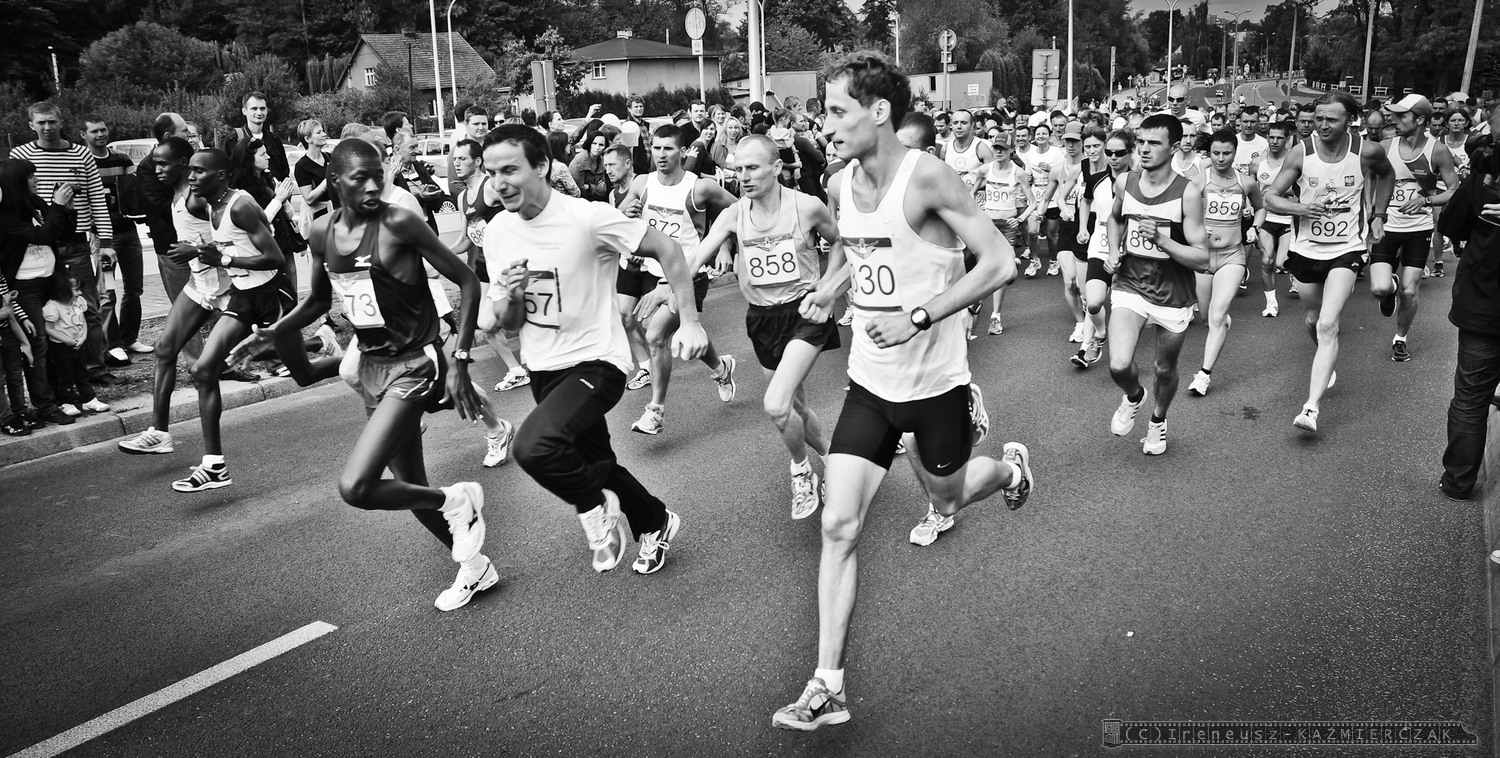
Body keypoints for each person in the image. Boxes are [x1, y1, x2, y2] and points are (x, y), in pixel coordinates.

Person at [772, 51, 1034, 731]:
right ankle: (827, 686)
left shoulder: (929, 178)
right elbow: (862, 256)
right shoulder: (839, 183)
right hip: (870, 383)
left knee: (946, 497)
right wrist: (832, 288)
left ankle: (1009, 469)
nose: (825, 125)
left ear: (879, 111)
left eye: (837, 111)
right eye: (824, 112)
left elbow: (1000, 261)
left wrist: (918, 315)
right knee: (838, 525)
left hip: (936, 384)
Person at [229, 138, 492, 611]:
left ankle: (458, 500)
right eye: (360, 179)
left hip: (416, 363)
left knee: (357, 487)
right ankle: (476, 568)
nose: (373, 187)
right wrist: (271, 333)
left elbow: (468, 282)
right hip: (372, 366)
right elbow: (317, 301)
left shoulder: (399, 222)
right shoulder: (322, 232)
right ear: (335, 182)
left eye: (378, 177)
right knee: (409, 485)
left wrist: (461, 358)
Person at [480, 125, 708, 575]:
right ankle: (655, 520)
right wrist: (511, 293)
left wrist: (690, 319)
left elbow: (668, 249)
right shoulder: (499, 231)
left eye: (509, 170)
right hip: (543, 364)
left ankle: (594, 507)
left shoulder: (587, 217)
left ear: (542, 166)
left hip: (598, 361)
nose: (498, 183)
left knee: (534, 447)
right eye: (491, 173)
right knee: (595, 462)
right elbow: (509, 321)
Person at [683, 135, 842, 519]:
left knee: (777, 402)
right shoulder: (734, 214)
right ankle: (832, 456)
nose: (744, 176)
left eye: (752, 168)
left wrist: (827, 286)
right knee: (795, 406)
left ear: (776, 167)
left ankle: (801, 471)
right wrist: (666, 287)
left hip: (805, 313)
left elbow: (842, 243)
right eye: (738, 169)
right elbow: (694, 259)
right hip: (762, 319)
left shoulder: (807, 206)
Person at [117, 148, 286, 493]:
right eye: (154, 163)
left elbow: (244, 237)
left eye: (164, 163)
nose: (157, 169)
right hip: (201, 285)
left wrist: (207, 253)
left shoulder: (202, 199)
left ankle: (316, 343)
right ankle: (162, 434)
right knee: (168, 350)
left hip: (231, 288)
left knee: (274, 356)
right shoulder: (190, 194)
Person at [1264, 91, 1395, 433]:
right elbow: (1270, 197)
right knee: (1312, 320)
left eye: (1331, 119)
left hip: (1347, 249)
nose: (1322, 125)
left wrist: (1379, 214)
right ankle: (1327, 359)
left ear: (1349, 120)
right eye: (1318, 118)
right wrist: (1301, 208)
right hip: (1307, 250)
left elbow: (1387, 175)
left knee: (1327, 323)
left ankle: (1310, 409)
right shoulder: (1301, 152)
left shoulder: (1367, 151)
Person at [618, 124, 739, 436]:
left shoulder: (699, 188)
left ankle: (655, 411)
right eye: (656, 148)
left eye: (668, 148)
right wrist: (625, 212)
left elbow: (738, 210)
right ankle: (720, 366)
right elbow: (618, 219)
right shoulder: (642, 183)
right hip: (650, 273)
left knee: (656, 335)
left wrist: (726, 245)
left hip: (688, 275)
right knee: (679, 331)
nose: (661, 155)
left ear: (683, 152)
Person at [1104, 114, 1212, 455]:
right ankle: (1134, 396)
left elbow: (1202, 259)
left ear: (1174, 147)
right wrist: (1113, 250)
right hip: (1131, 284)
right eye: (1141, 142)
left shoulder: (1187, 193)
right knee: (1118, 364)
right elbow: (1114, 219)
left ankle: (1158, 420)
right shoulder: (1125, 182)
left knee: (1164, 369)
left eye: (1154, 143)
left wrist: (1162, 240)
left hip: (1173, 294)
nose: (1145, 149)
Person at [9, 102, 115, 385]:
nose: (47, 127)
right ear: (31, 125)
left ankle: (94, 368)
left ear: (61, 122)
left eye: (52, 121)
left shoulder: (80, 153)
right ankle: (60, 378)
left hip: (75, 243)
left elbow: (97, 199)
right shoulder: (20, 155)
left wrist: (106, 241)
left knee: (86, 307)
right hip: (38, 247)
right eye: (41, 122)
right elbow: (14, 199)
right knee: (47, 314)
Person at [1367, 95, 1461, 363]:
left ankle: (1400, 338)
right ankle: (1390, 289)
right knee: (1379, 288)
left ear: (1420, 120)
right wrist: (1372, 214)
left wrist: (1426, 200)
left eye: (1401, 116)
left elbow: (1454, 190)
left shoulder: (1437, 151)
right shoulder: (1384, 147)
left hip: (1418, 229)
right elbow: (1369, 179)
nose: (1394, 120)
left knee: (1410, 291)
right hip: (1387, 226)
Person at [1439, 104, 1500, 502]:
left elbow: (1451, 225)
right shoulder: (1482, 171)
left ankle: (1459, 481)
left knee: (1471, 398)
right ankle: (1459, 480)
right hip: (1484, 305)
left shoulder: (1483, 173)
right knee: (1471, 399)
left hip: (1484, 306)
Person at [1186, 128, 1264, 397]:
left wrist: (1254, 227)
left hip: (1232, 255)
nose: (1221, 158)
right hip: (1203, 257)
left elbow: (1261, 207)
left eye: (1226, 153)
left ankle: (1203, 375)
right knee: (1207, 318)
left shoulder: (1246, 183)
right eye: (1216, 153)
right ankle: (1218, 320)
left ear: (1235, 153)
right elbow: (1183, 214)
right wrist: (1196, 229)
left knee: (1217, 316)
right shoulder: (1198, 182)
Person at [449, 138, 530, 396]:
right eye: (454, 159)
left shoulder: (491, 187)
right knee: (485, 323)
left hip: (511, 263)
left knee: (532, 313)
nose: (456, 163)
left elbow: (523, 212)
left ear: (477, 161)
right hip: (486, 266)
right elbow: (465, 240)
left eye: (462, 158)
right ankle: (517, 370)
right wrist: (434, 253)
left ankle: (545, 360)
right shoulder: (463, 197)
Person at [0, 158, 77, 426]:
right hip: (23, 287)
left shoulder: (35, 203)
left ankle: (58, 395)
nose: (37, 180)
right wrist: (57, 206)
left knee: (55, 341)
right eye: (31, 176)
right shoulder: (5, 214)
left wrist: (67, 210)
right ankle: (44, 405)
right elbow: (41, 236)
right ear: (15, 182)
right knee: (38, 344)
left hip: (48, 281)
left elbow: (61, 235)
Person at [79, 118, 151, 362]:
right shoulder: (84, 162)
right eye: (94, 131)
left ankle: (130, 338)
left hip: (128, 232)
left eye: (103, 129)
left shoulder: (122, 158)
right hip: (102, 238)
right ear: (84, 135)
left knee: (134, 288)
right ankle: (113, 344)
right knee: (107, 291)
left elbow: (133, 191)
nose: (100, 134)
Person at [1071, 128, 1131, 368]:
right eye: (1110, 152)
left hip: (1129, 249)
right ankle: (1101, 334)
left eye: (1120, 153)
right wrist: (1083, 227)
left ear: (1130, 152)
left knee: (1125, 307)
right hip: (1100, 244)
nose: (1113, 157)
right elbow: (1086, 201)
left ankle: (1088, 347)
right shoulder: (1097, 180)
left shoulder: (1139, 181)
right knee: (1094, 302)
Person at [975, 130, 1029, 337]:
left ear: (1011, 150)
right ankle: (977, 300)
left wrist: (1021, 219)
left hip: (1007, 226)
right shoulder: (984, 169)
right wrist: (975, 211)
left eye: (1003, 149)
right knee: (985, 266)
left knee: (1001, 271)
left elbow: (1033, 202)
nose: (998, 152)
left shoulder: (1018, 172)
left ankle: (995, 316)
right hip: (988, 224)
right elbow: (971, 192)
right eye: (996, 148)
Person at [42, 267, 109, 416]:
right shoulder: (52, 307)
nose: (80, 293)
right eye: (76, 289)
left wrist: (83, 337)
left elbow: (83, 320)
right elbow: (49, 329)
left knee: (82, 374)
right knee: (65, 376)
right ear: (62, 290)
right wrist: (67, 340)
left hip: (78, 344)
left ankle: (89, 399)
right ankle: (66, 402)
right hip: (61, 348)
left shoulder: (78, 302)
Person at [1252, 120, 1295, 317]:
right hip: (1266, 218)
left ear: (1287, 140)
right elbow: (1252, 190)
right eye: (1271, 137)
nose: (1275, 141)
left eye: (1279, 138)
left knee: (1281, 263)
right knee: (1266, 260)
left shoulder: (1295, 162)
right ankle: (1271, 303)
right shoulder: (1257, 163)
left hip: (1289, 219)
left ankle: (1296, 271)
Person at [220, 92, 289, 181]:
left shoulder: (274, 140)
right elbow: (224, 173)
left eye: (262, 108)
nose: (259, 113)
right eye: (254, 108)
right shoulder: (232, 140)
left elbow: (284, 173)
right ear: (244, 111)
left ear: (267, 110)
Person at [294, 119, 332, 222]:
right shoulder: (302, 166)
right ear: (307, 139)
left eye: (323, 131)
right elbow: (309, 199)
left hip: (334, 213)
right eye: (319, 132)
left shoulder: (329, 157)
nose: (324, 134)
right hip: (316, 218)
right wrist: (327, 180)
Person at [569, 130, 611, 201]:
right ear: (589, 144)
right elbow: (578, 191)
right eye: (594, 143)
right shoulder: (579, 163)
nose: (597, 147)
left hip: (598, 201)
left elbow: (603, 190)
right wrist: (594, 187)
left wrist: (589, 187)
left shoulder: (603, 161)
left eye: (601, 145)